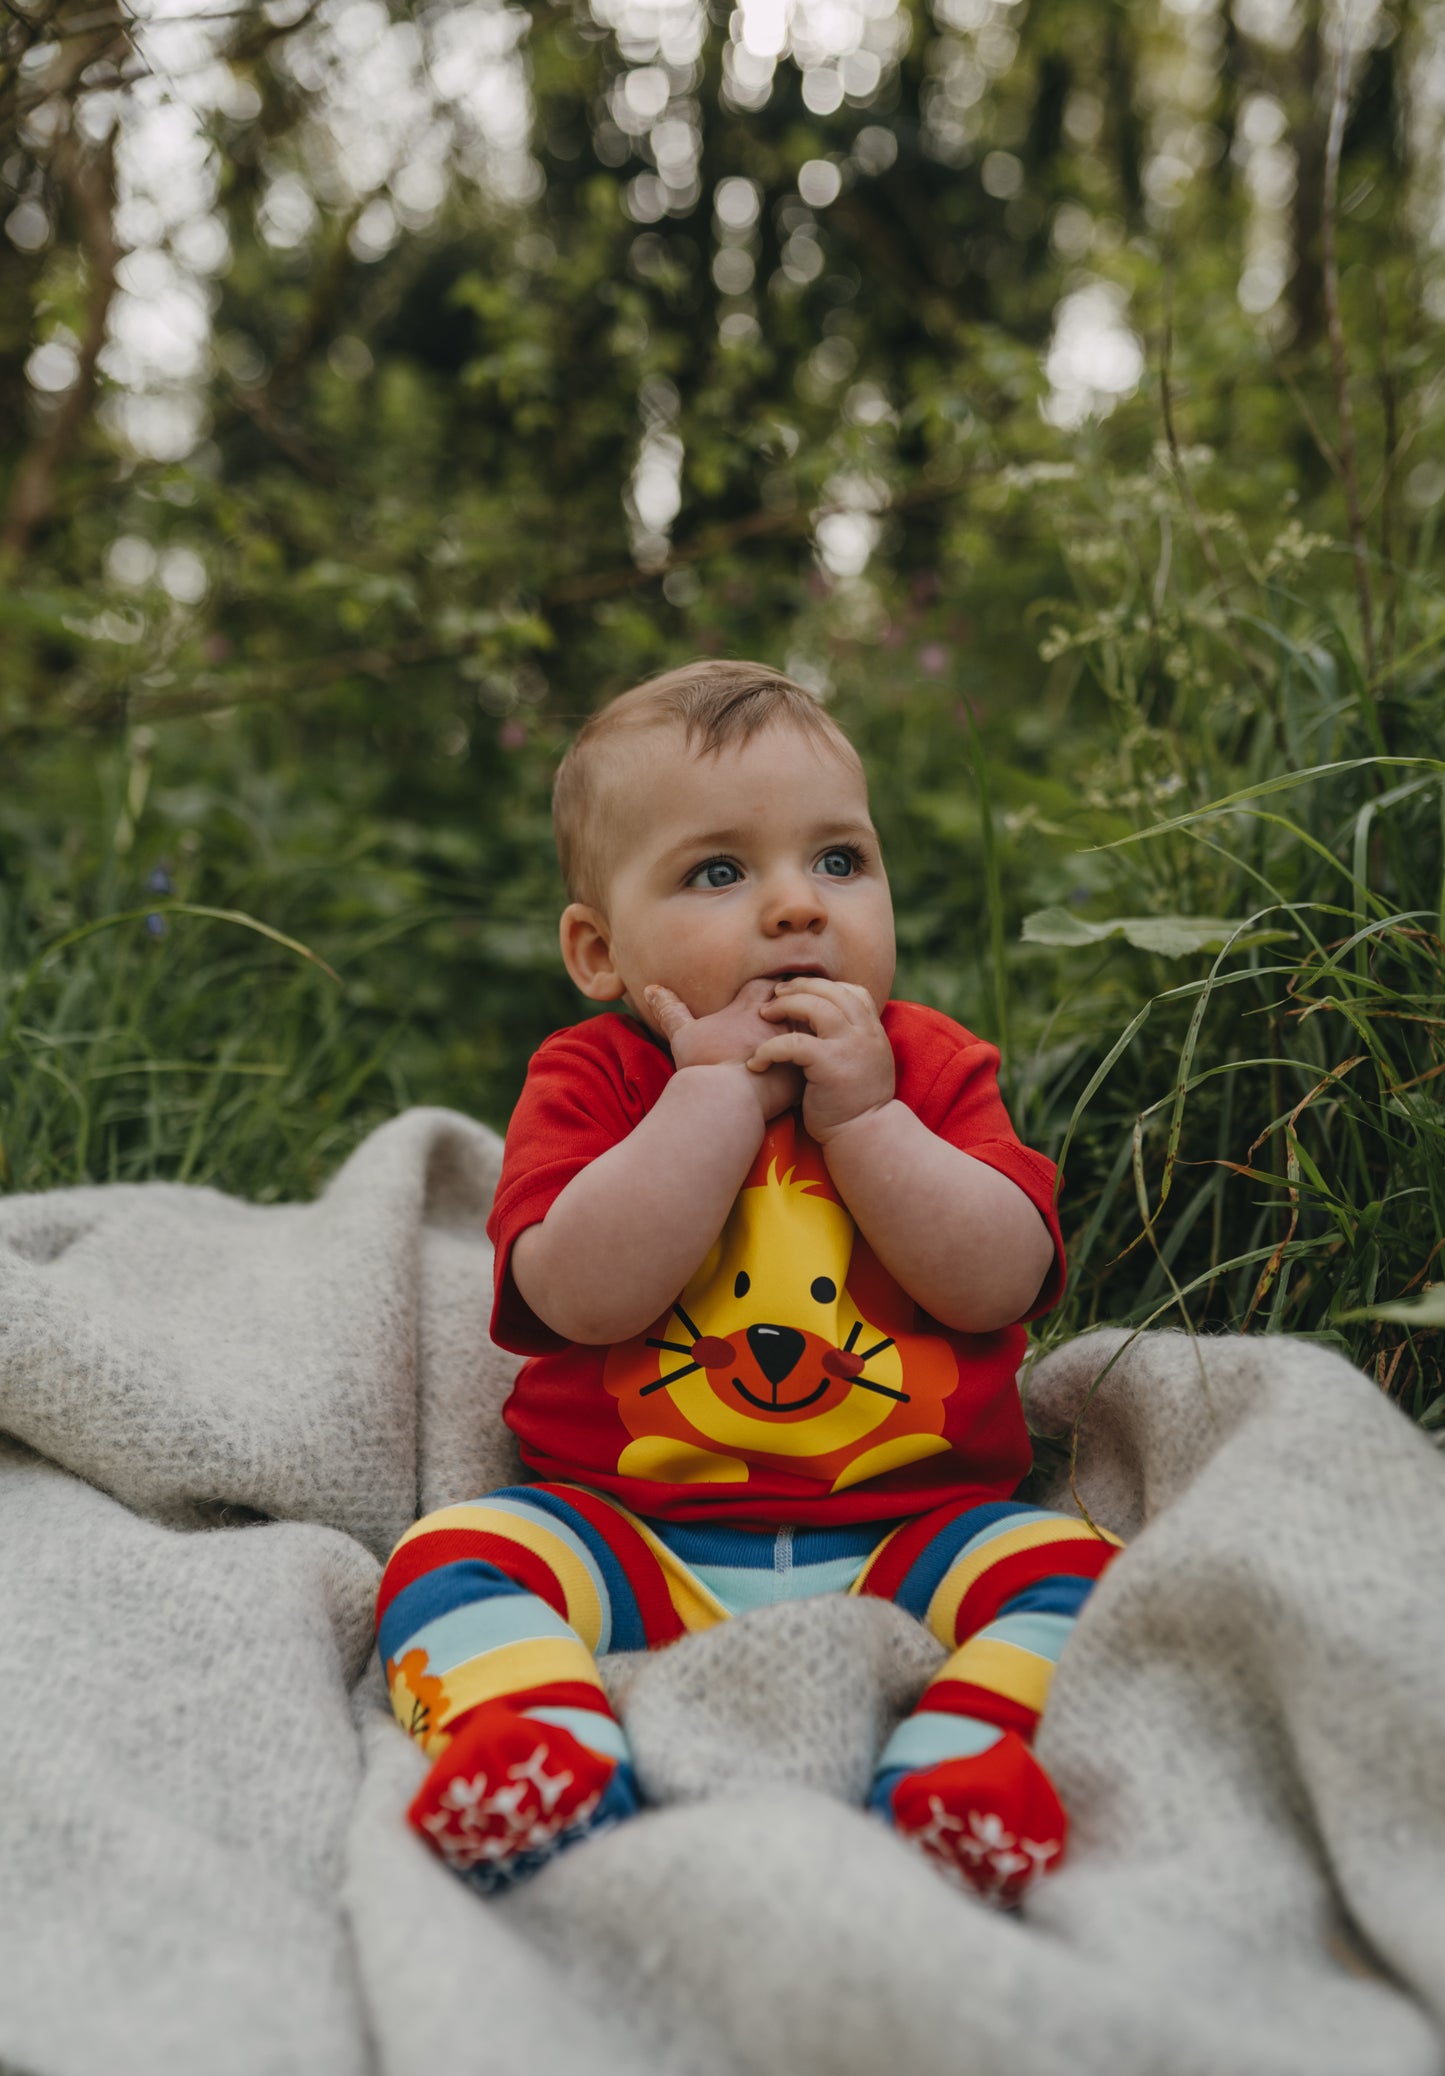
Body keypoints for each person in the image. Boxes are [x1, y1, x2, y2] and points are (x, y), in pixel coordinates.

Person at [376, 659, 1119, 1903]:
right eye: (718, 871)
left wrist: (871, 1123)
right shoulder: (594, 1080)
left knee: (1079, 1574)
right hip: (631, 1532)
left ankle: (959, 1762)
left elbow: (1002, 1281)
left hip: (911, 1529)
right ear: (599, 950)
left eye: (839, 861)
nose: (796, 907)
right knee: (451, 1555)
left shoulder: (927, 1070)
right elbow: (581, 1296)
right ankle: (544, 1746)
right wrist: (710, 1094)